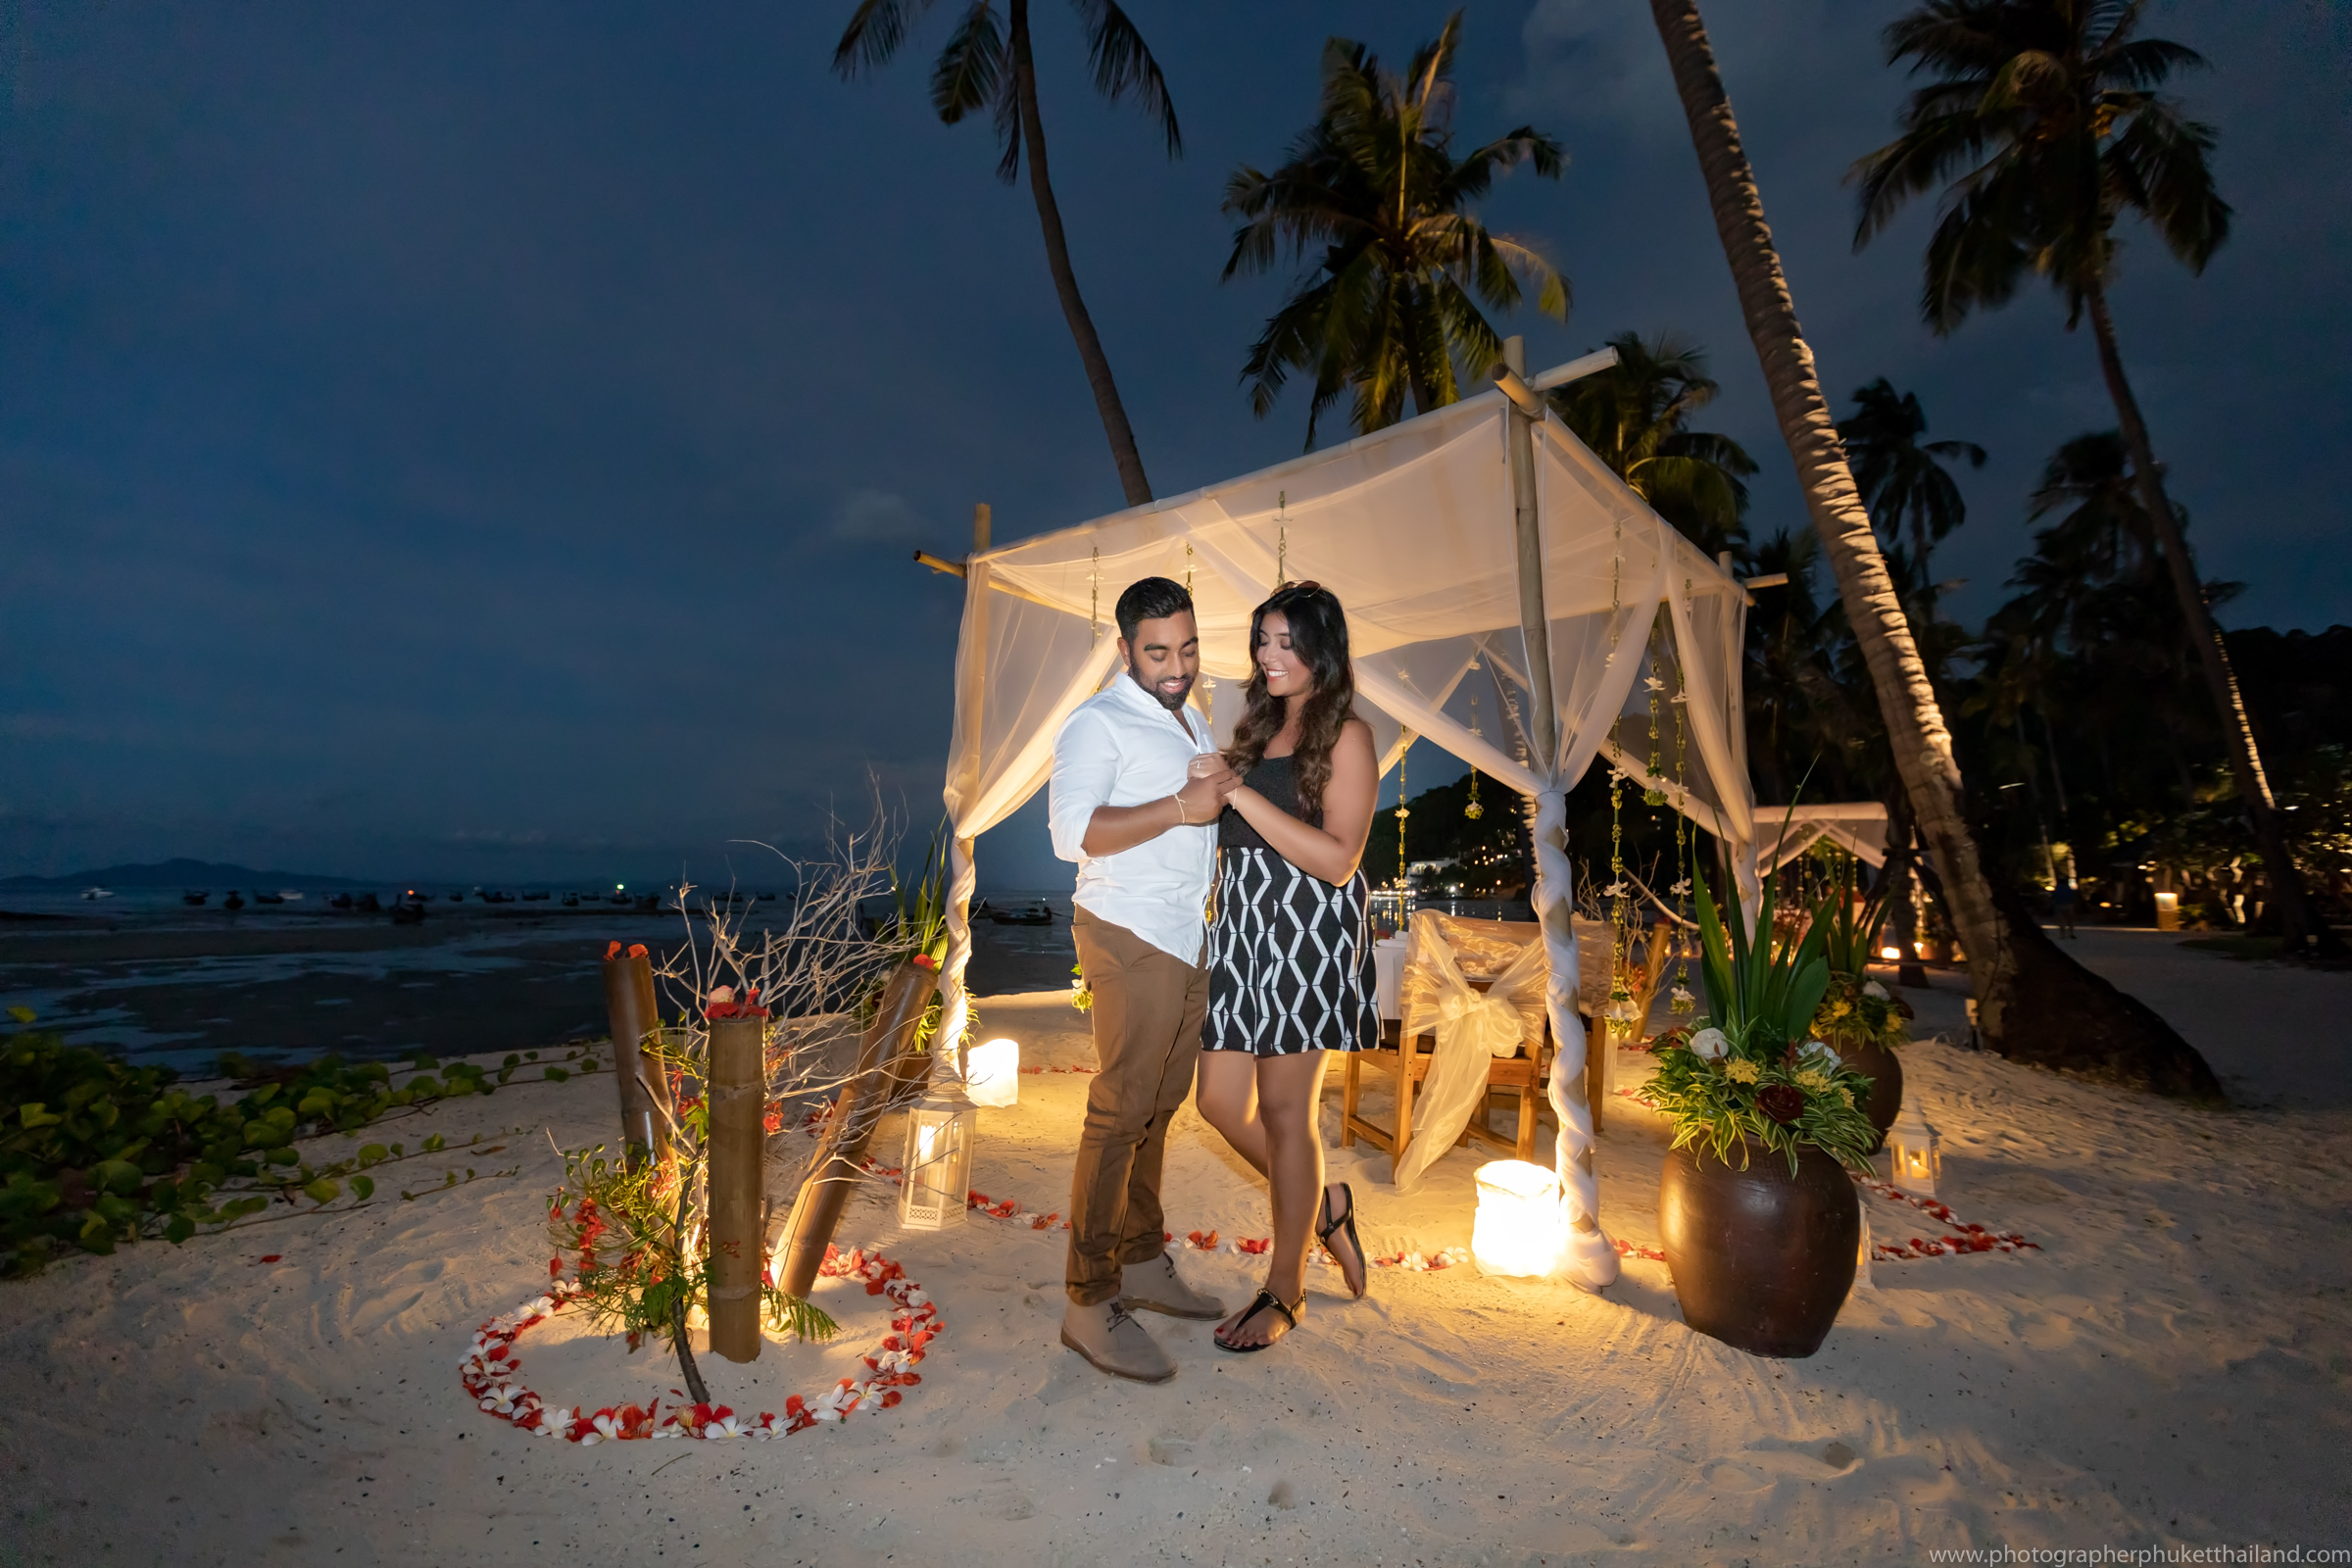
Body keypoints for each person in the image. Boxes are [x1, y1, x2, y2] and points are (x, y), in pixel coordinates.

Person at [1047, 576, 1239, 1383]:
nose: (1177, 665)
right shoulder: (1096, 720)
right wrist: (1179, 807)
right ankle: (1087, 1301)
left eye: (1188, 648)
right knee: (1120, 1109)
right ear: (1125, 649)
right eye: (1158, 651)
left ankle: (1141, 1259)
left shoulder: (1188, 713)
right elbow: (1070, 834)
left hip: (1186, 930)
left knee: (1162, 1105)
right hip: (1129, 929)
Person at [1195, 582, 1377, 1351]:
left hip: (1307, 929)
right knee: (1217, 1103)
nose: (1269, 655)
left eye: (1284, 642)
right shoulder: (1257, 725)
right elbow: (1223, 824)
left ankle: (1286, 1287)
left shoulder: (1349, 735)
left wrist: (1239, 795)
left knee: (1282, 1112)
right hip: (1241, 926)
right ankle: (1326, 1205)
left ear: (1320, 651)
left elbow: (1338, 860)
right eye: (1262, 640)